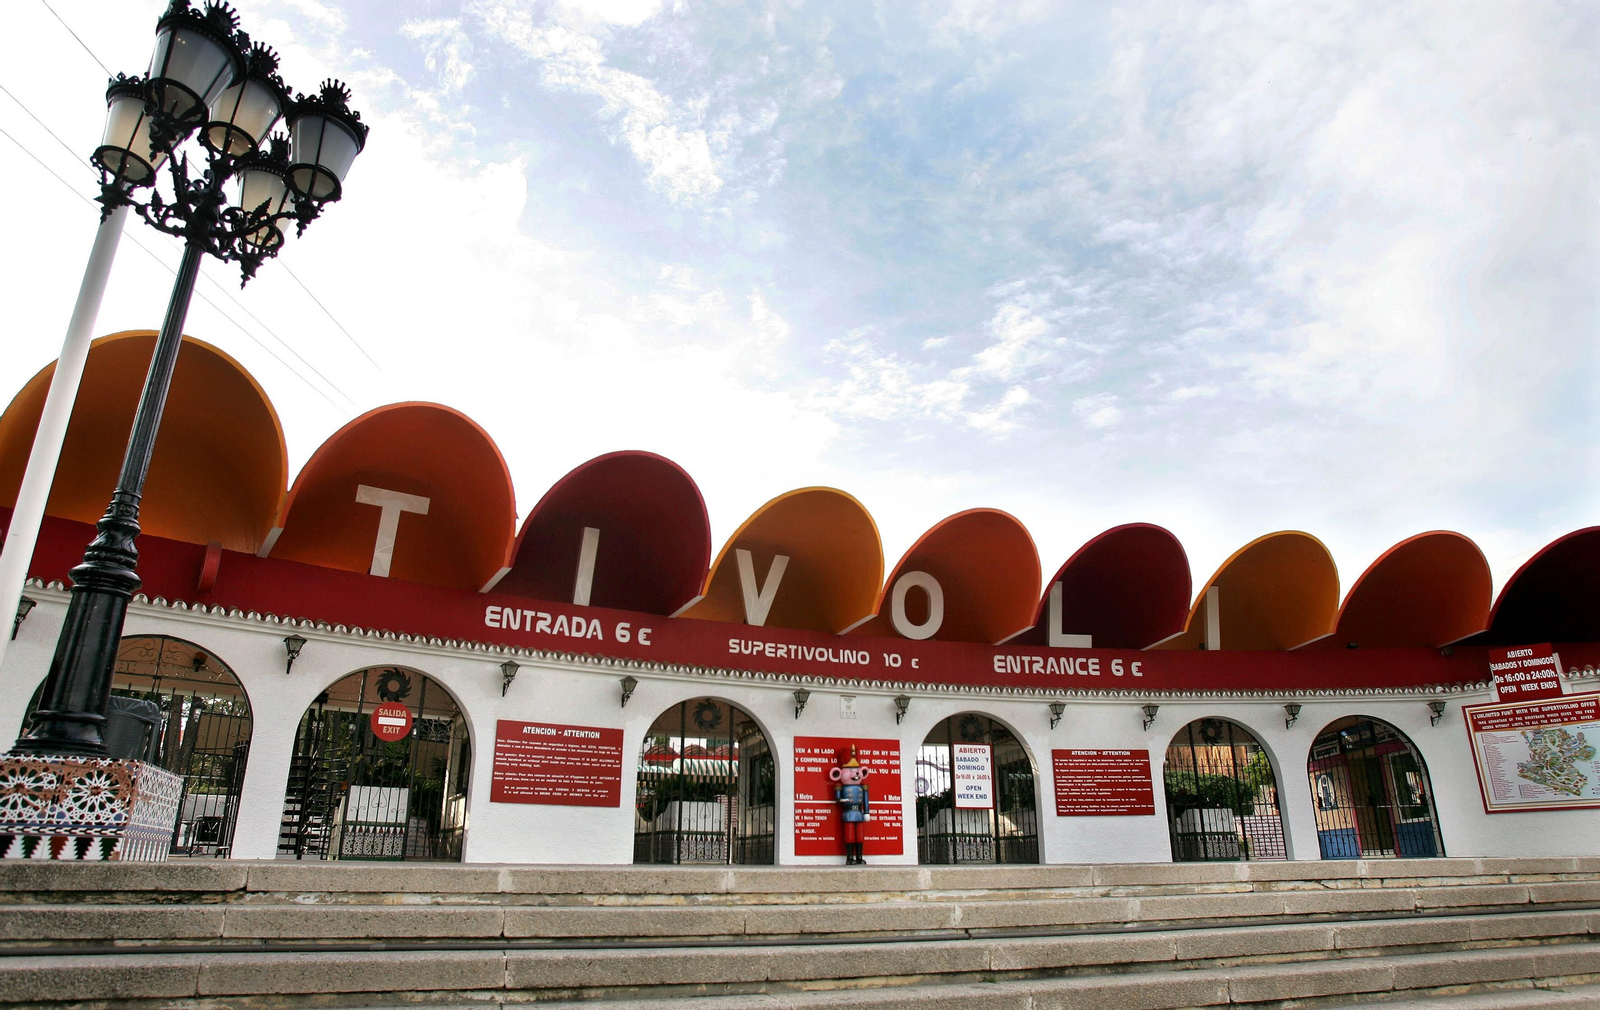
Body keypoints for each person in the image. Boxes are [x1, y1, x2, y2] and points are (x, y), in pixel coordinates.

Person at [829, 747, 871, 865]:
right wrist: (841, 800)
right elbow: (838, 799)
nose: (855, 773)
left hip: (859, 813)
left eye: (856, 769)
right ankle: (849, 857)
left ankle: (859, 857)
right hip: (848, 813)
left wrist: (866, 812)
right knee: (849, 835)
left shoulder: (862, 787)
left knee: (860, 836)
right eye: (850, 770)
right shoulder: (841, 787)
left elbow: (865, 800)